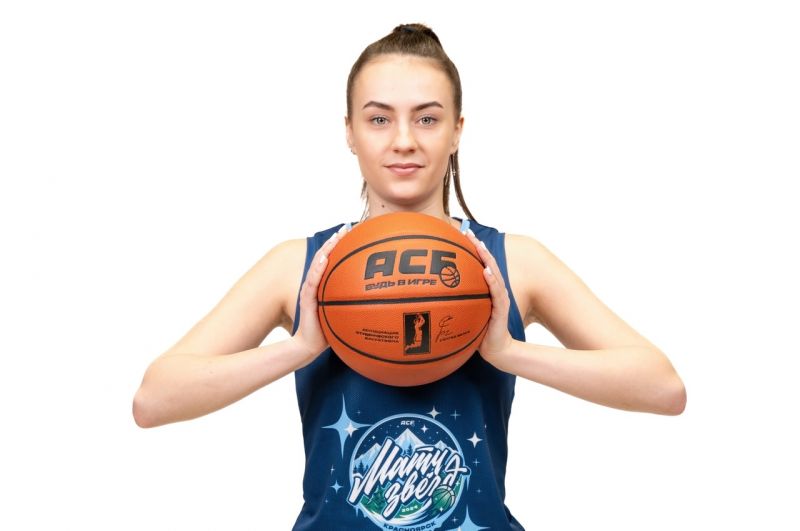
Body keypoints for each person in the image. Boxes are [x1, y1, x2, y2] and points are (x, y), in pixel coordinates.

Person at [133, 23, 686, 530]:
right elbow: (154, 400)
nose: (403, 140)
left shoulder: (511, 262)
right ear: (349, 132)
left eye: (427, 118)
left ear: (457, 131)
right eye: (379, 119)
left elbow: (663, 388)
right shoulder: (301, 266)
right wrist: (300, 348)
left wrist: (509, 352)